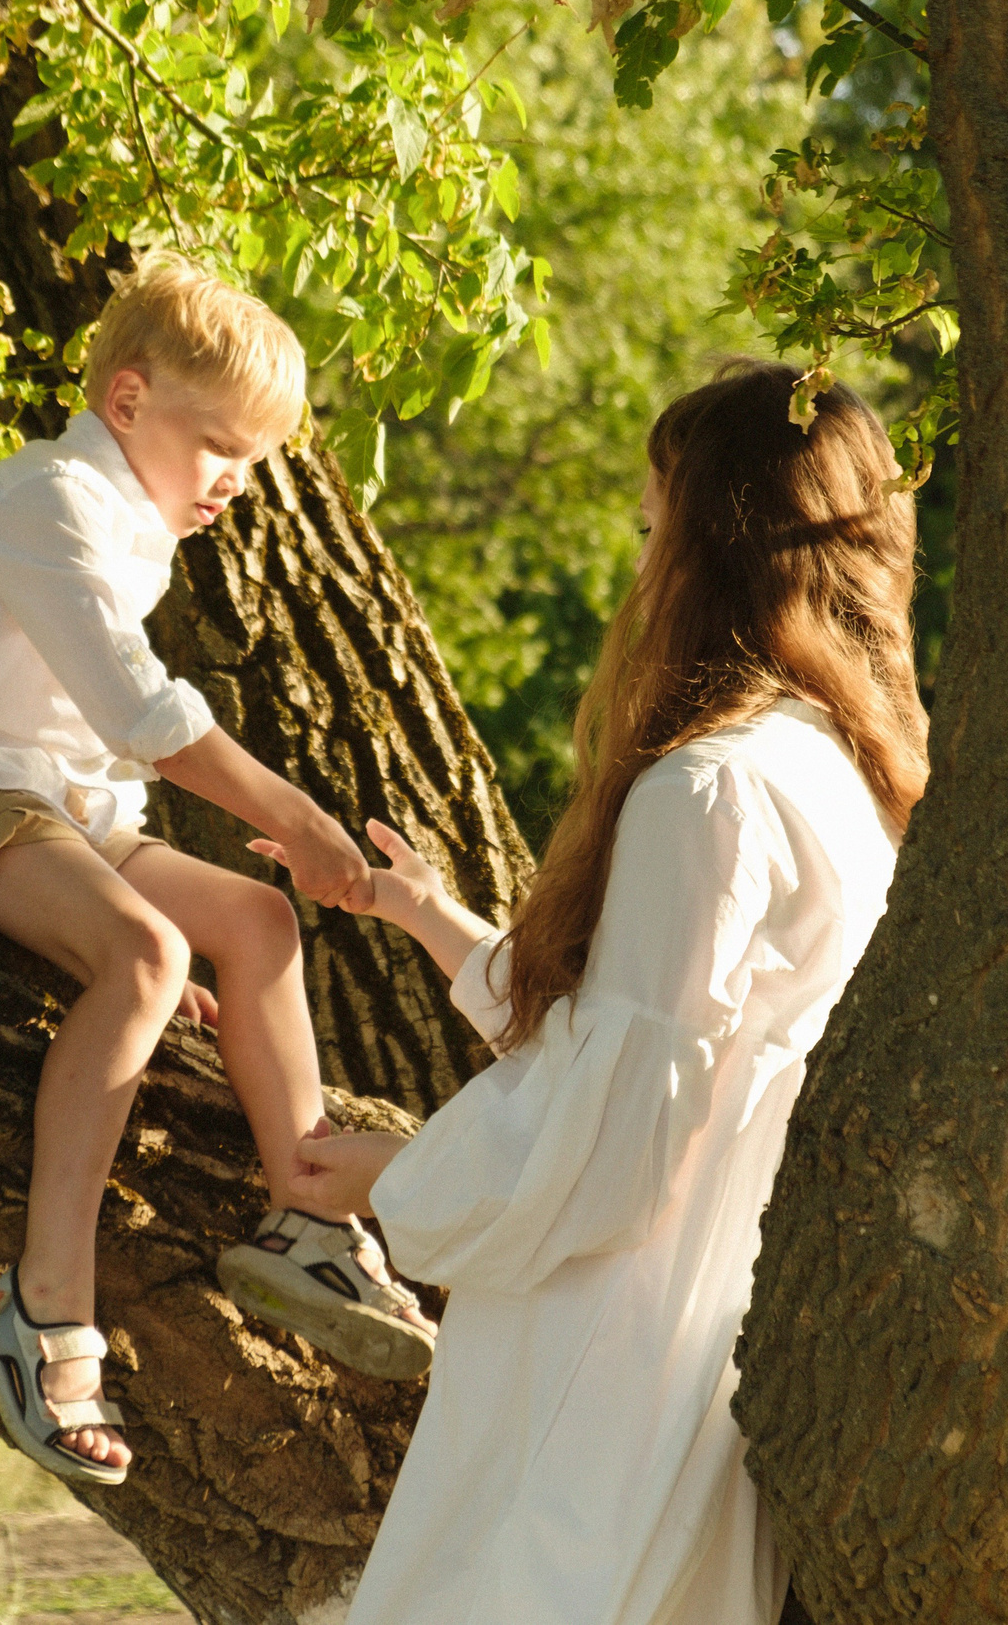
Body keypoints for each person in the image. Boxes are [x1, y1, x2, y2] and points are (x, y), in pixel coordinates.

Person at [253, 362, 926, 1625]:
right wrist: (422, 912)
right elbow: (657, 1031)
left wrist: (400, 1184)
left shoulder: (711, 787)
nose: (639, 562)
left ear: (709, 546)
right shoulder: (844, 766)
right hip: (727, 1284)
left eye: (650, 525)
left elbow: (631, 1124)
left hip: (636, 1314)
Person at [0, 253, 436, 1489]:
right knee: (148, 954)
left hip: (36, 800)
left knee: (255, 922)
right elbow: (134, 706)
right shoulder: (46, 499)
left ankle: (312, 1213)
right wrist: (295, 818)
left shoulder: (127, 526)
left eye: (255, 461)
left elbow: (92, 762)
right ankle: (41, 1313)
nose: (236, 485)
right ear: (128, 401)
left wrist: (105, 906)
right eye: (221, 447)